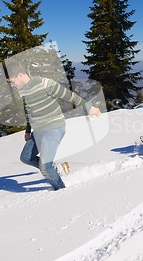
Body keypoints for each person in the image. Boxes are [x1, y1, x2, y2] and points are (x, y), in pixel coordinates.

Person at [7, 62, 101, 190]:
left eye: (12, 81)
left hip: (53, 128)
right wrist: (28, 130)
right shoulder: (23, 91)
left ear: (20, 75)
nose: (12, 85)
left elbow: (70, 96)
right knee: (26, 158)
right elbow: (29, 111)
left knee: (45, 167)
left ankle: (61, 191)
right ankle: (57, 168)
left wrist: (89, 107)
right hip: (38, 131)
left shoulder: (45, 84)